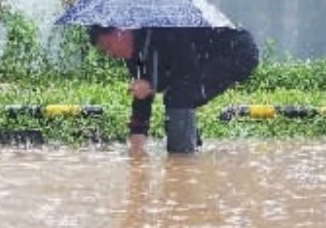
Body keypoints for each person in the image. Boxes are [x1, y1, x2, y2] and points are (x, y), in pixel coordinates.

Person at [89, 25, 259, 153]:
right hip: (202, 60)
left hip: (236, 51)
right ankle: (191, 146)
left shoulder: (164, 33)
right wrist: (136, 152)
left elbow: (187, 67)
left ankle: (183, 159)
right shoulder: (135, 57)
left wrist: (153, 85)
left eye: (108, 45)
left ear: (121, 33)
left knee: (179, 95)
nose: (109, 54)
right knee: (180, 95)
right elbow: (142, 99)